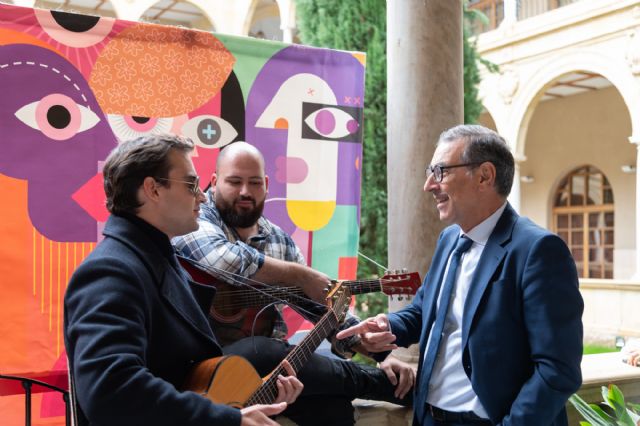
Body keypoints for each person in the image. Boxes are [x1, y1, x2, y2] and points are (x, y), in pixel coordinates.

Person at [337, 124, 584, 426]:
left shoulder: (539, 250)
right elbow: (425, 311)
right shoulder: (450, 239)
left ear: (484, 176)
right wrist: (389, 325)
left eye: (440, 171)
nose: (429, 184)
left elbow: (558, 369)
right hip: (429, 417)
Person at [64, 135, 303, 426]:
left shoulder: (158, 258)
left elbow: (184, 379)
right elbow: (112, 391)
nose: (202, 196)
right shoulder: (111, 270)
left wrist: (257, 393)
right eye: (191, 184)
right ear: (152, 189)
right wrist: (229, 420)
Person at [173, 141, 415, 426]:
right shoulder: (195, 220)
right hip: (205, 371)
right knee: (263, 348)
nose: (245, 192)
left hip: (264, 378)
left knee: (333, 407)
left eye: (253, 183)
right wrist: (301, 275)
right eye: (234, 181)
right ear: (214, 183)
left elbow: (319, 304)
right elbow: (224, 260)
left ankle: (392, 382)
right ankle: (382, 385)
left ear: (265, 184)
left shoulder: (278, 241)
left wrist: (382, 355)